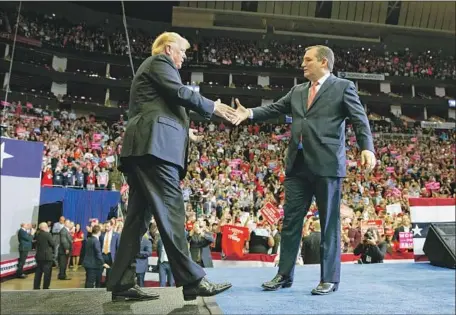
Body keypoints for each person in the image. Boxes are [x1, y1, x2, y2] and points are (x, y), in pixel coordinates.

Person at [232, 45, 376, 295]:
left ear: (323, 62)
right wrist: (250, 113)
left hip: (327, 164)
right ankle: (284, 275)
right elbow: (276, 108)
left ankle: (329, 278)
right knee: (290, 222)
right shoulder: (298, 90)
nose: (302, 64)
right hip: (297, 165)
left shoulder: (343, 87)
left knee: (329, 223)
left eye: (307, 60)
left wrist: (367, 148)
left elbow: (359, 119)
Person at [107, 31, 235, 302]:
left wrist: (185, 132)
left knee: (136, 220)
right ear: (168, 49)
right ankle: (191, 280)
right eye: (182, 51)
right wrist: (214, 107)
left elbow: (162, 106)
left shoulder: (156, 71)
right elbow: (178, 93)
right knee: (172, 211)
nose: (184, 57)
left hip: (147, 148)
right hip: (155, 150)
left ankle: (121, 282)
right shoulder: (159, 64)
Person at [33, 222, 55, 289]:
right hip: (47, 257)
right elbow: (53, 244)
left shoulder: (37, 234)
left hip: (39, 256)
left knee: (38, 273)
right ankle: (45, 287)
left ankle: (36, 287)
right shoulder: (48, 234)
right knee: (47, 273)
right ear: (45, 227)